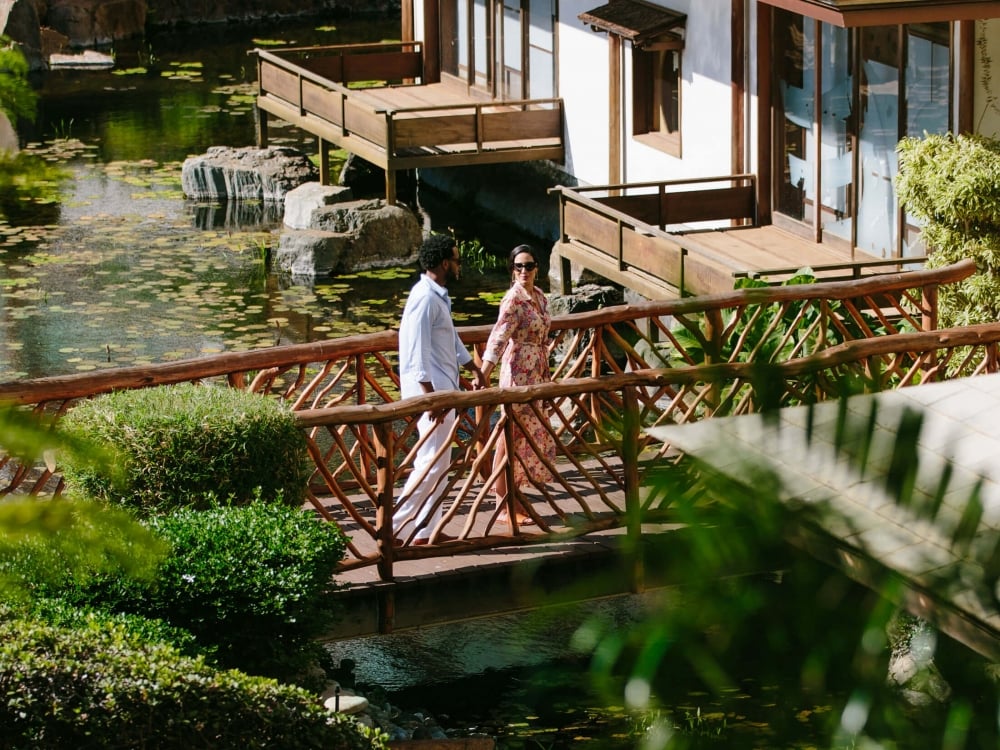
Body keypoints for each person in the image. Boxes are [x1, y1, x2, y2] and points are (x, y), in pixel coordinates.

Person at [393, 233, 486, 545]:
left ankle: (425, 530)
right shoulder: (424, 298)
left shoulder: (437, 296)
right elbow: (416, 349)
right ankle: (392, 528)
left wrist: (471, 365)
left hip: (441, 391)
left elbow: (449, 337)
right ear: (445, 263)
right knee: (430, 461)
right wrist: (430, 395)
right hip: (431, 395)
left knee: (440, 461)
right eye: (457, 260)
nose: (460, 265)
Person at [481, 244, 556, 530]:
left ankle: (516, 492)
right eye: (518, 266)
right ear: (512, 270)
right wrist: (485, 371)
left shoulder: (539, 296)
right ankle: (502, 502)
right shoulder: (513, 300)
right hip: (517, 372)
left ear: (537, 268)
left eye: (529, 265)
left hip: (537, 370)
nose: (524, 271)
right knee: (508, 435)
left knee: (526, 435)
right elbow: (498, 337)